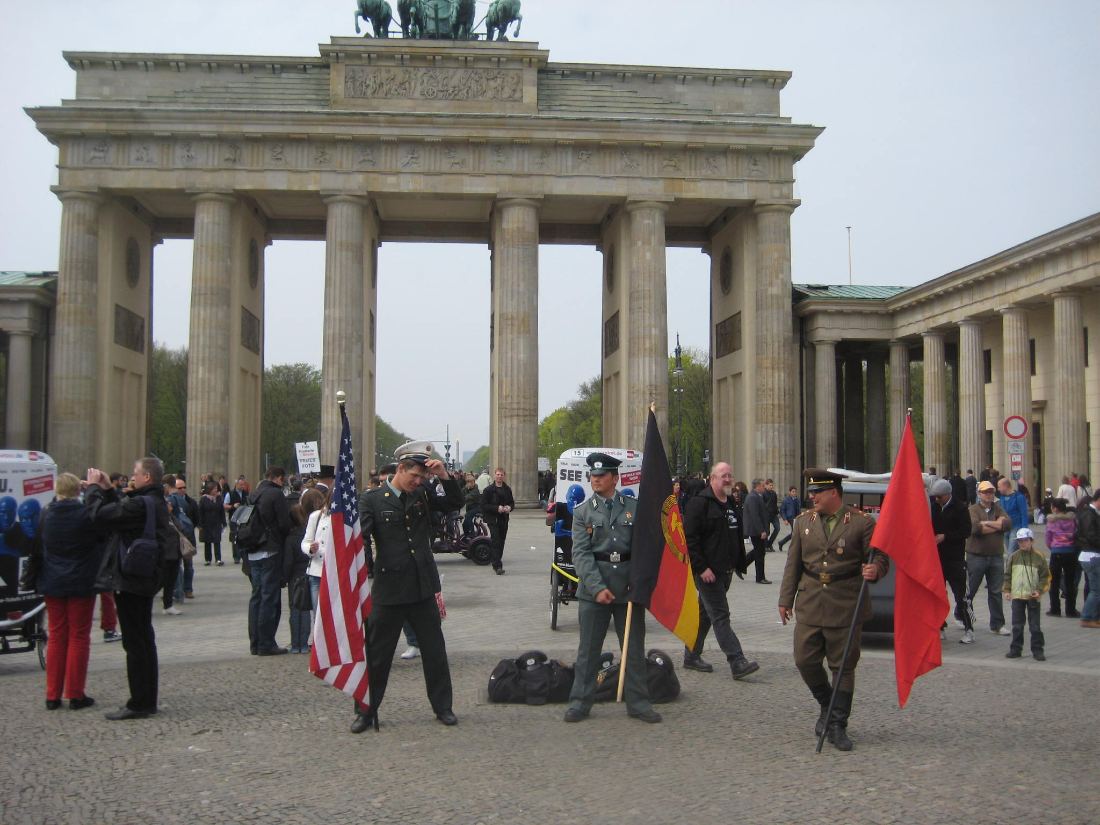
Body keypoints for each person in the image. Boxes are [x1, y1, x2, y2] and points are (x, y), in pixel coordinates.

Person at [352, 442, 462, 733]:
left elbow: (454, 504)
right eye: (415, 476)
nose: (418, 482)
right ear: (400, 469)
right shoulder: (372, 499)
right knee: (377, 655)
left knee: (435, 651)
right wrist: (364, 573)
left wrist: (444, 477)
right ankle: (365, 710)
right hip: (389, 589)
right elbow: (361, 538)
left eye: (422, 478)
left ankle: (443, 707)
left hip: (422, 586)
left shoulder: (423, 493)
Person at [778, 468, 888, 752]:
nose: (811, 496)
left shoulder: (861, 523)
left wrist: (874, 569)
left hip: (845, 602)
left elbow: (880, 558)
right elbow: (793, 565)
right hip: (811, 601)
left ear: (834, 493)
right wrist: (784, 600)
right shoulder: (804, 521)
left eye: (817, 492)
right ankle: (828, 703)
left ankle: (837, 723)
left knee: (843, 667)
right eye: (811, 492)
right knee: (805, 660)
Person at [564, 452, 661, 724]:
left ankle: (639, 702)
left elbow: (643, 548)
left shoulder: (633, 506)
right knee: (588, 651)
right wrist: (597, 588)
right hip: (594, 590)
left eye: (601, 475)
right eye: (592, 476)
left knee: (633, 649)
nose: (595, 480)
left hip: (627, 589)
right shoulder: (582, 512)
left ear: (614, 478)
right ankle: (580, 702)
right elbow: (581, 554)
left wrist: (639, 582)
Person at [85, 456, 172, 720]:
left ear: (147, 477)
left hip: (132, 578)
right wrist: (109, 490)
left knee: (135, 643)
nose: (132, 476)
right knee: (144, 639)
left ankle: (139, 702)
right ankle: (147, 698)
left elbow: (98, 517)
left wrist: (92, 489)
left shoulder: (141, 504)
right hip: (145, 576)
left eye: (135, 473)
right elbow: (121, 512)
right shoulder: (152, 501)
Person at [6, 473, 101, 710]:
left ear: (57, 489)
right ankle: (76, 693)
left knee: (57, 636)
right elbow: (100, 539)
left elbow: (37, 549)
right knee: (79, 637)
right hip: (81, 581)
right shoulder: (85, 515)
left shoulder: (45, 515)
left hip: (53, 581)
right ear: (78, 490)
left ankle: (52, 695)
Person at [682, 462, 759, 679]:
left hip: (726, 572)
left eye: (730, 476)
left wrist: (739, 564)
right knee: (721, 616)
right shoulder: (700, 504)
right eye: (723, 476)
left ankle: (691, 655)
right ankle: (737, 660)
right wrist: (701, 568)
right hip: (708, 573)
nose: (727, 479)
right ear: (712, 478)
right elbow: (690, 539)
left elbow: (733, 536)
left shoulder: (730, 504)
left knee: (705, 615)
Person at [247, 466, 292, 655]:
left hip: (253, 551)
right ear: (279, 479)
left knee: (256, 596)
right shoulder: (276, 495)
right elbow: (284, 524)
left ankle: (255, 642)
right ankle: (266, 643)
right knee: (269, 597)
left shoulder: (253, 494)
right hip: (271, 550)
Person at [930, 478, 975, 643]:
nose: (937, 499)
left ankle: (969, 628)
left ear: (948, 494)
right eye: (935, 496)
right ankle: (940, 626)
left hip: (955, 558)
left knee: (961, 595)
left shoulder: (960, 508)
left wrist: (946, 536)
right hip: (937, 559)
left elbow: (966, 531)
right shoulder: (934, 507)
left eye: (939, 497)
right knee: (937, 595)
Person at [966, 480, 1012, 635]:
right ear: (979, 494)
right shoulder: (973, 509)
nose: (989, 495)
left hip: (996, 556)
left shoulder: (998, 508)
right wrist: (996, 524)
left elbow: (1007, 525)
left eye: (991, 492)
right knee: (970, 590)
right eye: (985, 492)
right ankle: (963, 616)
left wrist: (987, 523)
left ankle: (998, 624)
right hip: (976, 555)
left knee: (995, 591)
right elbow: (975, 528)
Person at [1003, 528, 1050, 660]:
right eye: (1020, 541)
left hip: (1033, 596)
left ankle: (1038, 650)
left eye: (1025, 541)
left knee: (1035, 626)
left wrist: (1039, 590)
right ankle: (1016, 649)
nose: (1022, 543)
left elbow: (1045, 577)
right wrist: (1007, 590)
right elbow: (1007, 575)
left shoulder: (1039, 557)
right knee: (1017, 625)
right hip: (1017, 596)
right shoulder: (1013, 556)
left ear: (1031, 541)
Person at [1044, 499, 1079, 617]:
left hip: (1056, 552)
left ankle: (1055, 609)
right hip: (1070, 552)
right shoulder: (1072, 520)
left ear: (1055, 508)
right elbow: (1075, 534)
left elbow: (1048, 539)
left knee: (1053, 582)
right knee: (1070, 582)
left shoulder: (1051, 521)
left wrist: (1053, 547)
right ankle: (1071, 610)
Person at [284, 502, 310, 654]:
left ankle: (295, 644)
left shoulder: (290, 538)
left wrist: (284, 577)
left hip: (294, 576)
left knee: (294, 608)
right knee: (305, 608)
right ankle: (304, 643)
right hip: (307, 573)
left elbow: (288, 561)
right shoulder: (308, 534)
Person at [480, 467, 514, 575]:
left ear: (504, 476)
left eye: (501, 475)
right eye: (498, 474)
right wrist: (496, 508)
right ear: (494, 475)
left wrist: (509, 507)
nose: (499, 476)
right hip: (492, 519)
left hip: (504, 518)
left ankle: (497, 560)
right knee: (496, 540)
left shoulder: (507, 489)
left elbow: (512, 502)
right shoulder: (488, 490)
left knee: (502, 541)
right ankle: (497, 566)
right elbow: (484, 505)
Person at [1076, 490, 1100, 629]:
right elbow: (1091, 536)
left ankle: (1093, 617)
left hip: (1091, 554)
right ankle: (1087, 617)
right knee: (1096, 590)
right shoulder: (1088, 514)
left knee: (1095, 588)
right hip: (1091, 555)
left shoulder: (1091, 513)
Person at [742, 479, 771, 583]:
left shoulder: (756, 496)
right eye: (763, 485)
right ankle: (760, 577)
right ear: (757, 486)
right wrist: (761, 531)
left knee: (759, 552)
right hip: (755, 530)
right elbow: (755, 516)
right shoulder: (753, 497)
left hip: (756, 529)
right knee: (760, 554)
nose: (764, 487)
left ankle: (741, 564)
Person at [997, 477, 1030, 554]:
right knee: (1013, 553)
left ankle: (1009, 565)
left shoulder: (1019, 497)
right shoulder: (1002, 498)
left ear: (1005, 486)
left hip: (1016, 528)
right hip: (1005, 528)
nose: (998, 489)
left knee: (1010, 552)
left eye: (999, 487)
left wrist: (1024, 530)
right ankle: (1014, 565)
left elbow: (1024, 514)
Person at [198, 480, 226, 566]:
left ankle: (218, 559)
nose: (216, 490)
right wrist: (200, 524)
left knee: (217, 540)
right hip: (206, 523)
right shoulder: (203, 499)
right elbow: (200, 512)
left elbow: (222, 511)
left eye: (216, 489)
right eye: (214, 489)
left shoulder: (219, 498)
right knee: (207, 541)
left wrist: (224, 522)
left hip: (216, 522)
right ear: (209, 489)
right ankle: (208, 559)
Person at [777, 486, 801, 552]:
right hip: (790, 518)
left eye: (795, 492)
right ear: (789, 492)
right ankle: (794, 548)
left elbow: (799, 510)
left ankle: (781, 542)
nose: (794, 493)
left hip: (797, 518)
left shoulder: (797, 500)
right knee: (795, 533)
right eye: (793, 492)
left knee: (794, 533)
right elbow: (782, 510)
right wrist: (785, 519)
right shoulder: (786, 500)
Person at [763, 479, 780, 550]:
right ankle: (766, 546)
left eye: (772, 485)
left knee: (777, 528)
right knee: (767, 532)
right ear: (766, 485)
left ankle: (769, 544)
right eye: (770, 485)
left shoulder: (773, 493)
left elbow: (775, 504)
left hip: (773, 515)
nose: (771, 486)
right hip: (766, 515)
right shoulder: (763, 493)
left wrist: (777, 512)